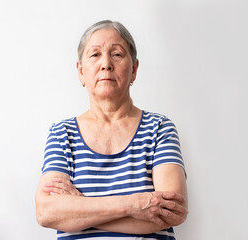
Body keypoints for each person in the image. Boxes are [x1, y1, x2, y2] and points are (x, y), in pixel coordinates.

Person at [35, 20, 188, 240]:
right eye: (95, 54)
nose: (106, 64)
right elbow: (46, 212)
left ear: (134, 69)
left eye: (116, 54)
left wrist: (79, 210)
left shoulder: (160, 129)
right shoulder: (62, 134)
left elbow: (171, 212)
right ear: (80, 71)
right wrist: (133, 205)